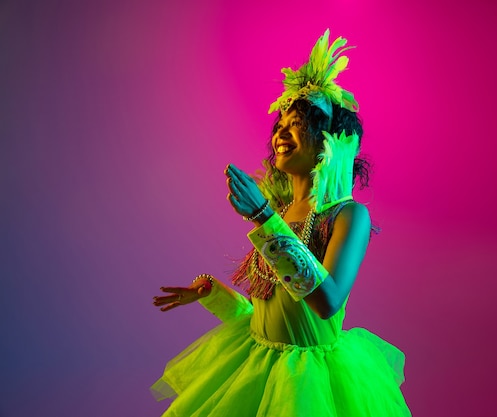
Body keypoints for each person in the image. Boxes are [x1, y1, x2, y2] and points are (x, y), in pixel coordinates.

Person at [152, 29, 411, 416]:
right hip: (257, 365)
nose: (281, 133)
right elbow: (271, 316)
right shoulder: (284, 211)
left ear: (331, 141)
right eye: (281, 123)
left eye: (300, 122)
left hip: (309, 385)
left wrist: (263, 217)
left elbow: (327, 302)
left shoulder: (349, 215)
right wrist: (217, 296)